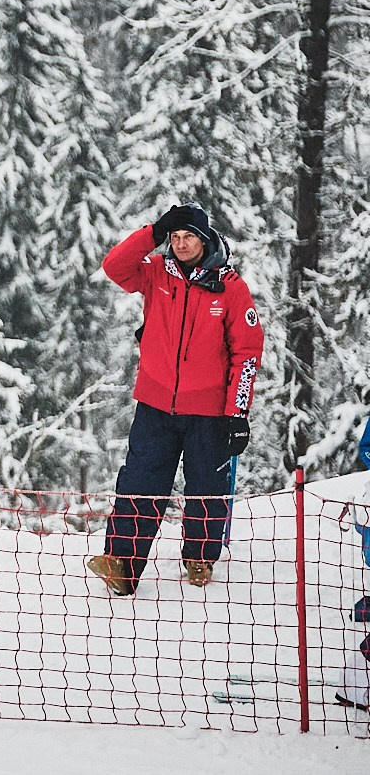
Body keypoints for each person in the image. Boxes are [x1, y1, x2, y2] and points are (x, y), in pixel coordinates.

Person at [87, 203, 263, 596]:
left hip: (209, 412)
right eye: (175, 237)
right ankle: (122, 563)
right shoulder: (156, 273)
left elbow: (247, 352)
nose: (181, 244)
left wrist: (237, 413)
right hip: (155, 404)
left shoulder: (230, 287)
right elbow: (115, 266)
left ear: (205, 239)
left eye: (189, 237)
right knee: (139, 483)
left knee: (206, 487)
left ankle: (200, 559)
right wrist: (153, 232)